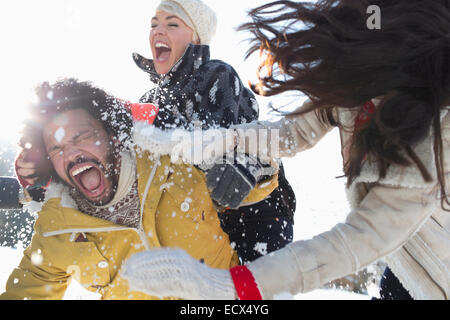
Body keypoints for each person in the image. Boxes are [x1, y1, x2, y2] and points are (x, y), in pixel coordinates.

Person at [121, 0, 450, 300]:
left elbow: (355, 240)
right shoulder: (356, 88)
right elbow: (294, 133)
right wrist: (226, 140)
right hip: (407, 262)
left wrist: (234, 286)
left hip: (436, 272)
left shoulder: (435, 139)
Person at [0, 78, 278, 300]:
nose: (71, 152)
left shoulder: (175, 160)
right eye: (57, 148)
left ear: (111, 135)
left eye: (82, 136)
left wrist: (250, 163)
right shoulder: (56, 228)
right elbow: (26, 291)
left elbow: (263, 176)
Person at [133, 0, 297, 263]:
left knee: (259, 290)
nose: (158, 30)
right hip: (204, 217)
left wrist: (160, 125)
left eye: (172, 24)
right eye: (154, 24)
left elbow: (219, 140)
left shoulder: (216, 75)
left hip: (256, 212)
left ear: (196, 37)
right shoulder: (149, 99)